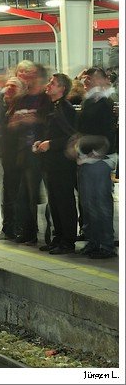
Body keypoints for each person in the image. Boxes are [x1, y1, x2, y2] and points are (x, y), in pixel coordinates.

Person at [75, 67, 118, 259]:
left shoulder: (105, 102)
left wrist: (96, 153)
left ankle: (106, 245)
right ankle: (93, 241)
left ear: (100, 80)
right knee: (88, 203)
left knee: (100, 203)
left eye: (90, 79)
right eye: (85, 79)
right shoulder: (89, 101)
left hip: (100, 159)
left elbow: (108, 132)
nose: (86, 83)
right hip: (86, 157)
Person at [32, 73, 77, 254]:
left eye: (53, 83)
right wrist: (39, 142)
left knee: (64, 202)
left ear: (62, 89)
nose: (48, 85)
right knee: (54, 203)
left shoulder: (66, 109)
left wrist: (51, 144)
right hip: (50, 163)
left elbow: (71, 136)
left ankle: (68, 241)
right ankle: (58, 237)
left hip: (62, 164)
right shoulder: (51, 107)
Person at [8, 61, 49, 245]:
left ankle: (44, 233)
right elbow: (11, 122)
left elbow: (48, 121)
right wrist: (17, 122)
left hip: (41, 152)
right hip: (24, 153)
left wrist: (34, 119)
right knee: (23, 196)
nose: (27, 76)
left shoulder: (46, 99)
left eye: (31, 73)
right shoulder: (22, 98)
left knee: (37, 195)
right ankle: (27, 231)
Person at [0, 76, 25, 241]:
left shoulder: (20, 109)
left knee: (15, 194)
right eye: (8, 86)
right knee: (8, 193)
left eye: (13, 86)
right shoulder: (4, 107)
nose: (8, 89)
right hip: (7, 157)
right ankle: (9, 228)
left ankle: (16, 228)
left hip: (18, 157)